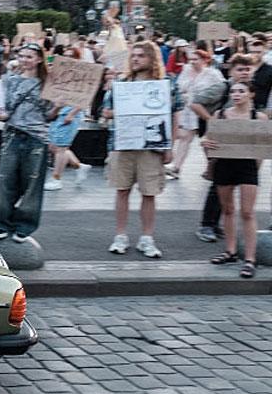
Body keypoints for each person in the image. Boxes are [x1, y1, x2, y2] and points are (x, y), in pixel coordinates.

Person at [101, 41, 176, 258]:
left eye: (141, 55)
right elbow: (105, 111)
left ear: (152, 59)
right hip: (123, 144)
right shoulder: (121, 83)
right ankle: (120, 235)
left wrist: (169, 146)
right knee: (122, 190)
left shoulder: (165, 84)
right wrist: (117, 112)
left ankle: (147, 238)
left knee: (149, 192)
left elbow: (175, 114)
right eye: (133, 55)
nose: (135, 59)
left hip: (151, 146)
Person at [0, 43, 58, 243]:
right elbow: (5, 111)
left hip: (36, 137)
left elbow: (48, 116)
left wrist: (58, 107)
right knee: (6, 181)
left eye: (29, 56)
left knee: (32, 185)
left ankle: (24, 225)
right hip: (13, 134)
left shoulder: (47, 83)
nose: (24, 60)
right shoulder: (10, 80)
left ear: (39, 59)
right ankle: (3, 223)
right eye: (21, 56)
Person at [202, 81, 265, 277]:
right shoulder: (220, 114)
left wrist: (256, 167)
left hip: (247, 166)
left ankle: (250, 259)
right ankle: (230, 251)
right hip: (224, 164)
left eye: (241, 91)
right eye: (233, 91)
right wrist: (206, 144)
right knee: (227, 209)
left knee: (247, 212)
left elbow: (263, 146)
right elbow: (207, 138)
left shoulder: (258, 117)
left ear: (251, 94)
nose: (236, 94)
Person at [169, 48, 222, 179]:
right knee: (185, 137)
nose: (192, 62)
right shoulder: (186, 70)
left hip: (205, 109)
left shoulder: (213, 73)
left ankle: (212, 167)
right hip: (188, 109)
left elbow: (221, 89)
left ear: (204, 60)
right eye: (190, 59)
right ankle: (176, 167)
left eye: (195, 59)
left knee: (208, 140)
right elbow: (179, 87)